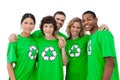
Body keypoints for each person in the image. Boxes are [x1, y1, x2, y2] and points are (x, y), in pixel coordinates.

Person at [82, 10, 119, 80]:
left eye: (89, 19)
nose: (86, 22)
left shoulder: (104, 34)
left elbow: (110, 63)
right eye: (83, 21)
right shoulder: (90, 38)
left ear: (96, 20)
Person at [7, 13, 38, 80]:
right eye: (25, 23)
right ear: (21, 24)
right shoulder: (15, 40)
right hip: (18, 77)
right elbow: (9, 65)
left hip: (32, 77)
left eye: (31, 23)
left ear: (34, 25)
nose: (28, 26)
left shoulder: (35, 40)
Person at [36, 16, 67, 80]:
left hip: (56, 77)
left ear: (54, 28)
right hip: (41, 76)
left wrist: (63, 48)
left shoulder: (60, 41)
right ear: (42, 27)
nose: (48, 29)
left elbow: (64, 63)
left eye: (51, 26)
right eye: (46, 26)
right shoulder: (37, 41)